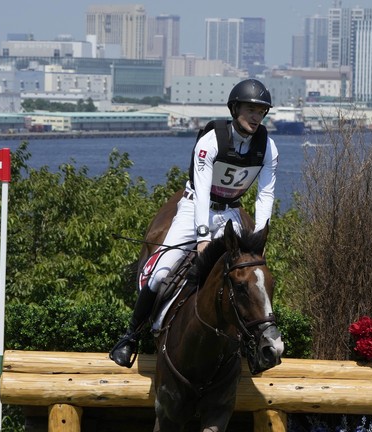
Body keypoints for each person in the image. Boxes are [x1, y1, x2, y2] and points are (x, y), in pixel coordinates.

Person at [109, 78, 279, 367]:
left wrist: (259, 238)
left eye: (261, 112)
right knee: (161, 273)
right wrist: (202, 235)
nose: (256, 117)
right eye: (250, 109)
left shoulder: (268, 147)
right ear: (235, 108)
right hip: (193, 209)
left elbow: (265, 193)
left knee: (253, 278)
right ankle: (130, 337)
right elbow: (201, 189)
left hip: (231, 213)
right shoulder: (211, 140)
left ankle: (256, 344)